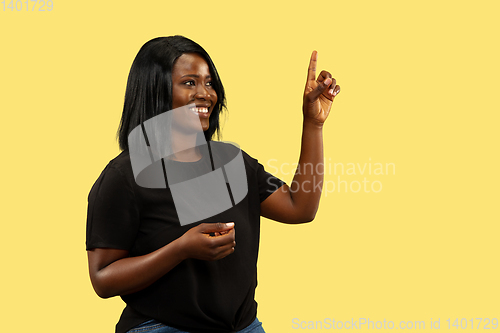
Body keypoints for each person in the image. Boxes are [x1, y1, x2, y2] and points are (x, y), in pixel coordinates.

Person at [86, 35, 340, 333]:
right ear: (156, 89)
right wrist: (180, 249)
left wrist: (314, 124)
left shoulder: (232, 162)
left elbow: (301, 207)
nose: (205, 93)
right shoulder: (124, 176)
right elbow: (102, 279)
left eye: (209, 82)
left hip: (243, 327)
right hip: (163, 327)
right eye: (190, 82)